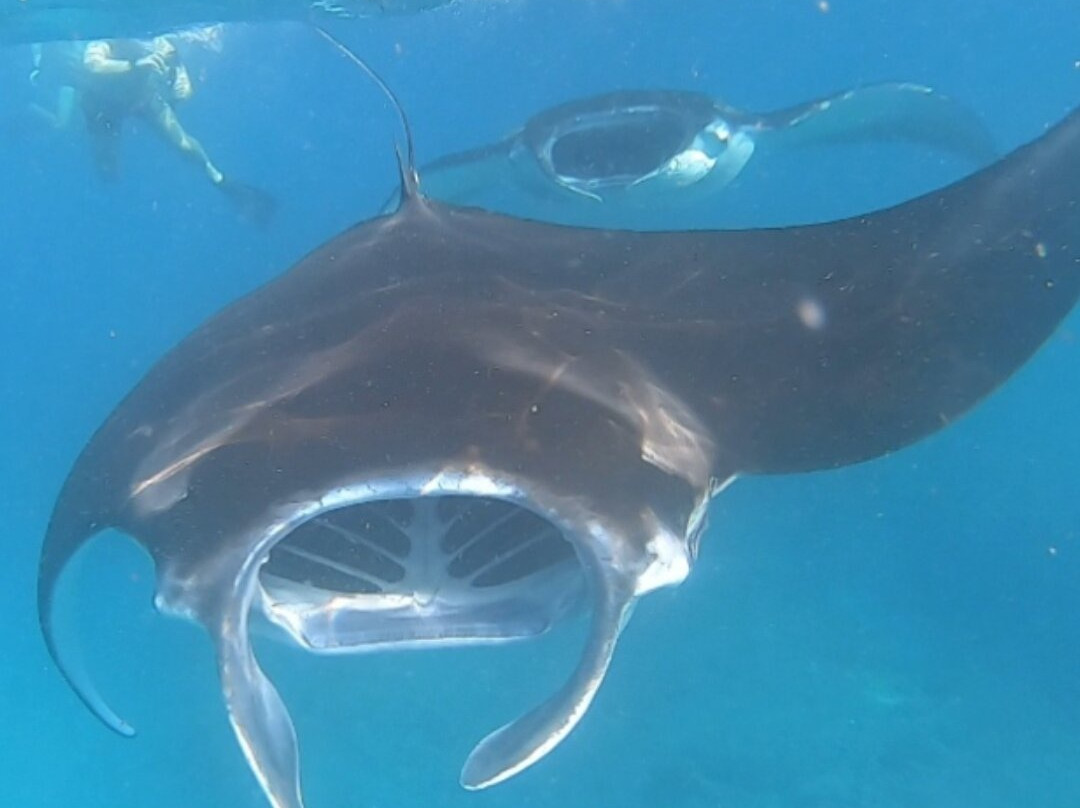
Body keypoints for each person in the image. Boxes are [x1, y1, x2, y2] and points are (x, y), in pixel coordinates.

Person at [30, 36, 275, 225]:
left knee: (184, 145)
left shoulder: (158, 39)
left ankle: (219, 178)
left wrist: (180, 82)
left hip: (142, 98)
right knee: (108, 172)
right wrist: (135, 65)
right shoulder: (106, 36)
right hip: (100, 104)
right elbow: (93, 63)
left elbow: (179, 75)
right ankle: (34, 118)